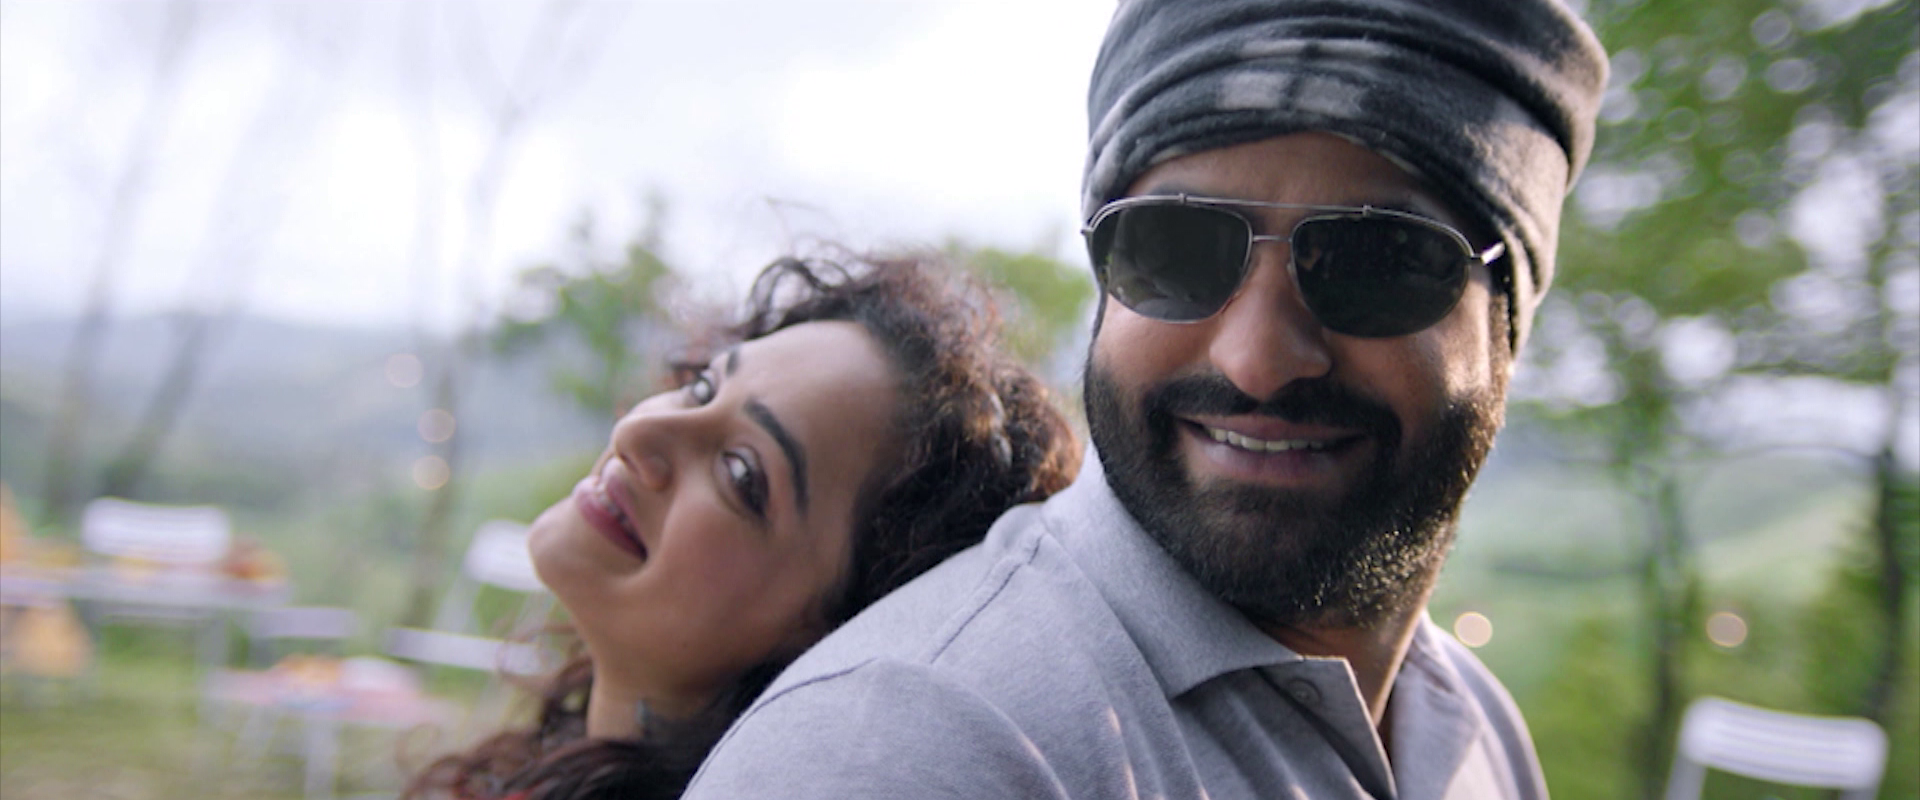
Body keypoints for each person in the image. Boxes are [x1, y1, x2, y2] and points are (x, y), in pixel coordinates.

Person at [684, 1, 1608, 798]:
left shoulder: (1473, 729)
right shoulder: (905, 748)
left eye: (1377, 262)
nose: (1258, 360)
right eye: (1174, 248)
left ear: (1507, 326)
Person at [402, 253, 1081, 799]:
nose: (639, 431)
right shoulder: (545, 758)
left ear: (828, 635)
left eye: (741, 473)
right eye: (702, 386)